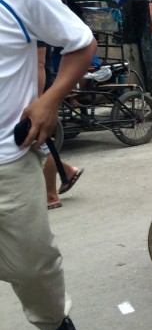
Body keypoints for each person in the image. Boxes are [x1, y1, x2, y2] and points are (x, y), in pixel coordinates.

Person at [0, 0, 97, 330]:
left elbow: (80, 42)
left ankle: (52, 318)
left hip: (9, 159)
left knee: (32, 267)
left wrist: (50, 99)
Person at [36, 43, 85, 210]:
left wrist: (39, 100)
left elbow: (39, 64)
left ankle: (51, 195)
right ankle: (66, 171)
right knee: (40, 143)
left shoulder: (33, 27)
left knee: (43, 143)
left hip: (40, 92)